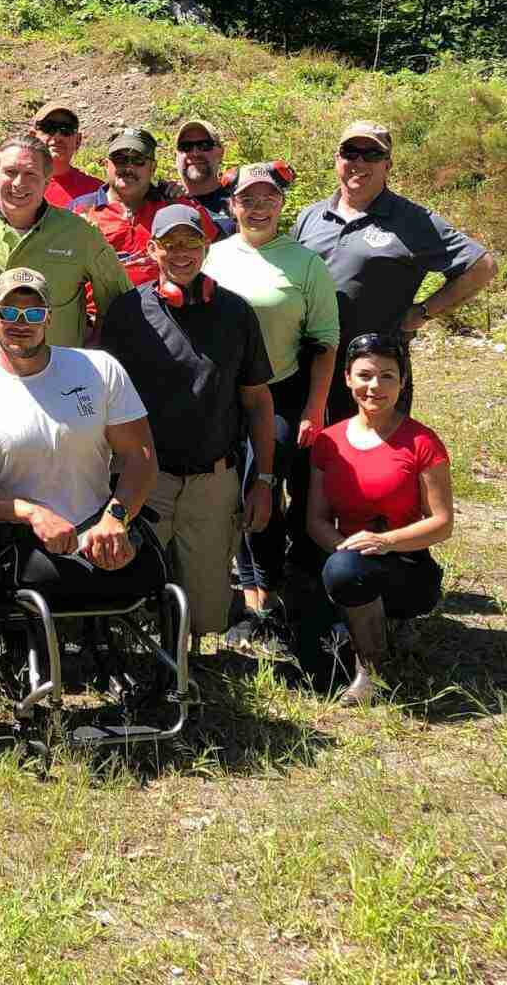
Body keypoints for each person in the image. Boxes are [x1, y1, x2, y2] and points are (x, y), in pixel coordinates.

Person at [99, 205, 275, 648]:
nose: (181, 253)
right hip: (146, 480)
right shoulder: (127, 313)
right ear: (151, 249)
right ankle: (145, 664)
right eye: (170, 244)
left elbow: (258, 402)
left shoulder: (236, 313)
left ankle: (187, 662)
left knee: (207, 612)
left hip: (212, 481)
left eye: (191, 242)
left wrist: (264, 480)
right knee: (133, 593)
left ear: (206, 247)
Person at [0, 268, 164, 610]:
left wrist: (116, 518)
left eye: (33, 314)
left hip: (99, 525)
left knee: (150, 573)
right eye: (9, 313)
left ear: (48, 319)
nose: (21, 323)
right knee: (58, 582)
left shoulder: (99, 369)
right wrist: (33, 515)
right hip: (21, 539)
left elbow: (140, 456)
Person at [208, 163, 341, 657]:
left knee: (262, 488)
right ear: (232, 205)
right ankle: (248, 594)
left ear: (282, 204)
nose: (258, 208)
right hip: (225, 396)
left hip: (281, 393)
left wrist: (314, 407)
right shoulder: (215, 256)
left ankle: (268, 597)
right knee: (233, 490)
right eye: (248, 199)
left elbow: (325, 340)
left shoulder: (305, 263)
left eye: (268, 198)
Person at [291, 121, 497, 424]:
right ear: (337, 159)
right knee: (309, 449)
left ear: (387, 165)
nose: (359, 161)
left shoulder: (413, 220)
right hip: (308, 364)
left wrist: (424, 311)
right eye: (350, 152)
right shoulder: (311, 216)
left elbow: (482, 266)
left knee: (375, 450)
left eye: (372, 154)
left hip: (375, 373)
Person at [306, 332, 455, 706]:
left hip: (406, 565)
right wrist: (346, 551)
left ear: (402, 382)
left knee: (346, 573)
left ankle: (372, 671)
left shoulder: (422, 442)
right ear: (347, 379)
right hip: (346, 558)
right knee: (313, 643)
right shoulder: (328, 441)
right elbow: (316, 520)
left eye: (387, 376)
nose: (375, 386)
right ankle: (360, 616)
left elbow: (442, 522)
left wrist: (385, 542)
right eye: (365, 375)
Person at [0, 133, 132, 372]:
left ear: (47, 181)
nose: (18, 183)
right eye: (10, 172)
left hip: (60, 381)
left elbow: (121, 304)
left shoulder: (81, 234)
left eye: (30, 174)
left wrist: (95, 358)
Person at [72, 126, 233, 285]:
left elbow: (220, 251)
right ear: (107, 164)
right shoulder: (79, 211)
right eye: (120, 159)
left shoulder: (177, 205)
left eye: (138, 160)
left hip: (165, 301)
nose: (128, 167)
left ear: (153, 167)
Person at [31, 101, 103, 207]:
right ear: (32, 137)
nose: (58, 136)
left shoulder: (97, 192)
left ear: (78, 141)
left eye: (66, 129)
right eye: (48, 127)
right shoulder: (14, 184)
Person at [174, 119, 235, 218]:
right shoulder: (162, 204)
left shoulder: (239, 204)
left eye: (204, 145)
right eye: (186, 146)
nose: (195, 153)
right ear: (175, 156)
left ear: (221, 152)